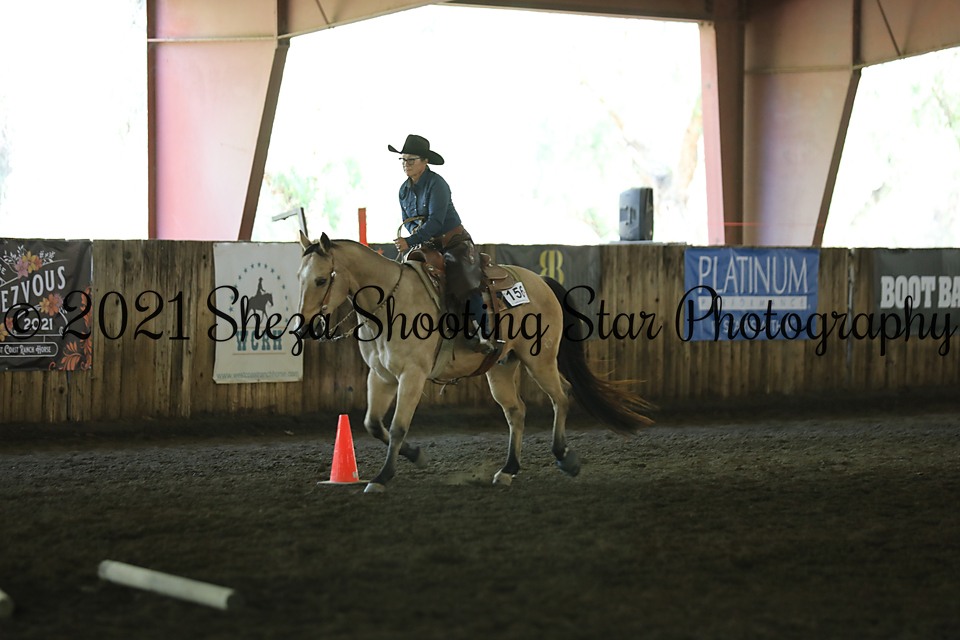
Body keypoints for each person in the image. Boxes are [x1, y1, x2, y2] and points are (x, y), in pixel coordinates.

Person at [389, 134, 495, 354]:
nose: (406, 164)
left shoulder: (437, 184)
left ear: (425, 161)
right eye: (403, 160)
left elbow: (436, 222)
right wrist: (414, 234)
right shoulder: (403, 190)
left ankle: (483, 333)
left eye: (411, 160)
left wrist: (410, 241)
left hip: (454, 242)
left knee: (464, 278)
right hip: (427, 244)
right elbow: (407, 220)